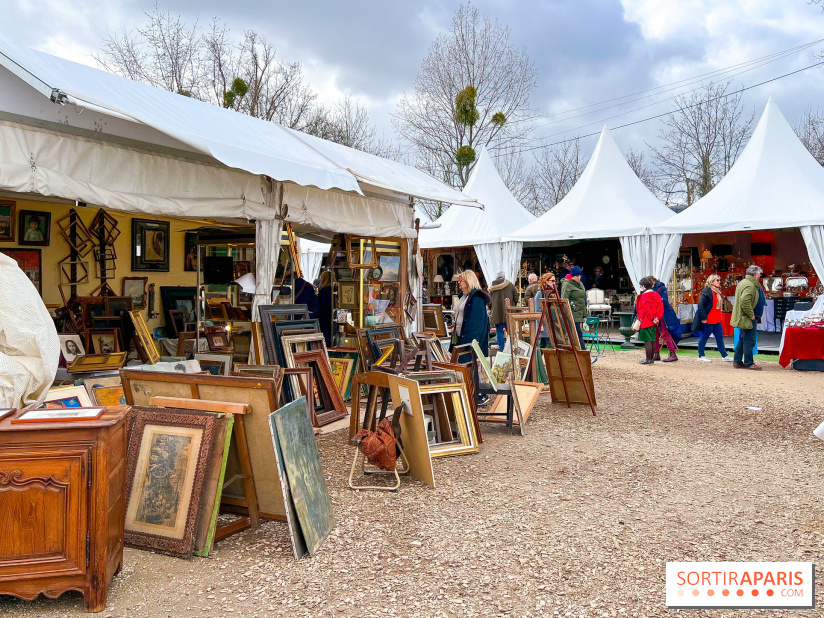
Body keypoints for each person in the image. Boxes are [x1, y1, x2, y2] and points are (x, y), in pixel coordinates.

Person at [450, 270, 491, 363]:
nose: (459, 283)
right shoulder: (464, 296)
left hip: (468, 340)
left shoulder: (477, 299)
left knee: (468, 368)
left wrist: (472, 344)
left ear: (469, 281)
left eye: (462, 281)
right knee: (462, 367)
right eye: (459, 281)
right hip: (460, 337)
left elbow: (477, 324)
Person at [692, 274, 732, 362]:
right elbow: (700, 304)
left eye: (719, 280)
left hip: (716, 319)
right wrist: (703, 317)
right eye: (717, 280)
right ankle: (701, 355)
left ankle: (724, 355)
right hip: (709, 320)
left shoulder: (717, 292)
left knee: (719, 338)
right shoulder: (707, 291)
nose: (719, 281)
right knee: (704, 337)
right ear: (711, 281)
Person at [731, 265, 764, 370]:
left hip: (744, 316)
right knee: (749, 340)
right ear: (756, 274)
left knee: (743, 339)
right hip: (748, 317)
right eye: (759, 274)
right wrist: (751, 314)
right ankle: (749, 362)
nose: (759, 276)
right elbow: (745, 300)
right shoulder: (750, 285)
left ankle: (737, 361)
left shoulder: (744, 282)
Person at [635, 276, 664, 364]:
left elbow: (645, 308)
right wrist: (657, 318)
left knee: (647, 341)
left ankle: (648, 359)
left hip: (646, 320)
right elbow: (661, 308)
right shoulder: (657, 295)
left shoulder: (644, 296)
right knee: (652, 340)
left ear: (643, 286)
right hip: (655, 321)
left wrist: (651, 318)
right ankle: (651, 358)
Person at [650, 276, 679, 362]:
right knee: (655, 333)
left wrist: (655, 301)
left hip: (662, 314)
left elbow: (665, 302)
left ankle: (672, 353)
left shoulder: (661, 288)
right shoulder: (655, 290)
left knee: (664, 333)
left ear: (653, 282)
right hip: (656, 314)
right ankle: (657, 353)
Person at [489, 270, 517, 350]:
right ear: (504, 276)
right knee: (510, 330)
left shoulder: (492, 287)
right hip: (508, 311)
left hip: (496, 311)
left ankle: (501, 347)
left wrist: (492, 308)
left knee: (499, 330)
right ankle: (511, 347)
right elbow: (516, 296)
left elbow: (489, 301)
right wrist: (512, 306)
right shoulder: (510, 285)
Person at [561, 266, 587, 348]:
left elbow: (582, 300)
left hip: (579, 312)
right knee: (577, 334)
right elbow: (564, 300)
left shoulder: (580, 284)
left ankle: (580, 352)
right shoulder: (567, 284)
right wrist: (567, 313)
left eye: (580, 275)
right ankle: (583, 352)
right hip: (571, 312)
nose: (579, 277)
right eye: (576, 276)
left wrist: (584, 314)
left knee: (577, 333)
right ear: (572, 276)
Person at [316, 271, 333, 347]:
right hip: (330, 319)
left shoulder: (324, 291)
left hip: (324, 319)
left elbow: (321, 305)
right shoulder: (332, 290)